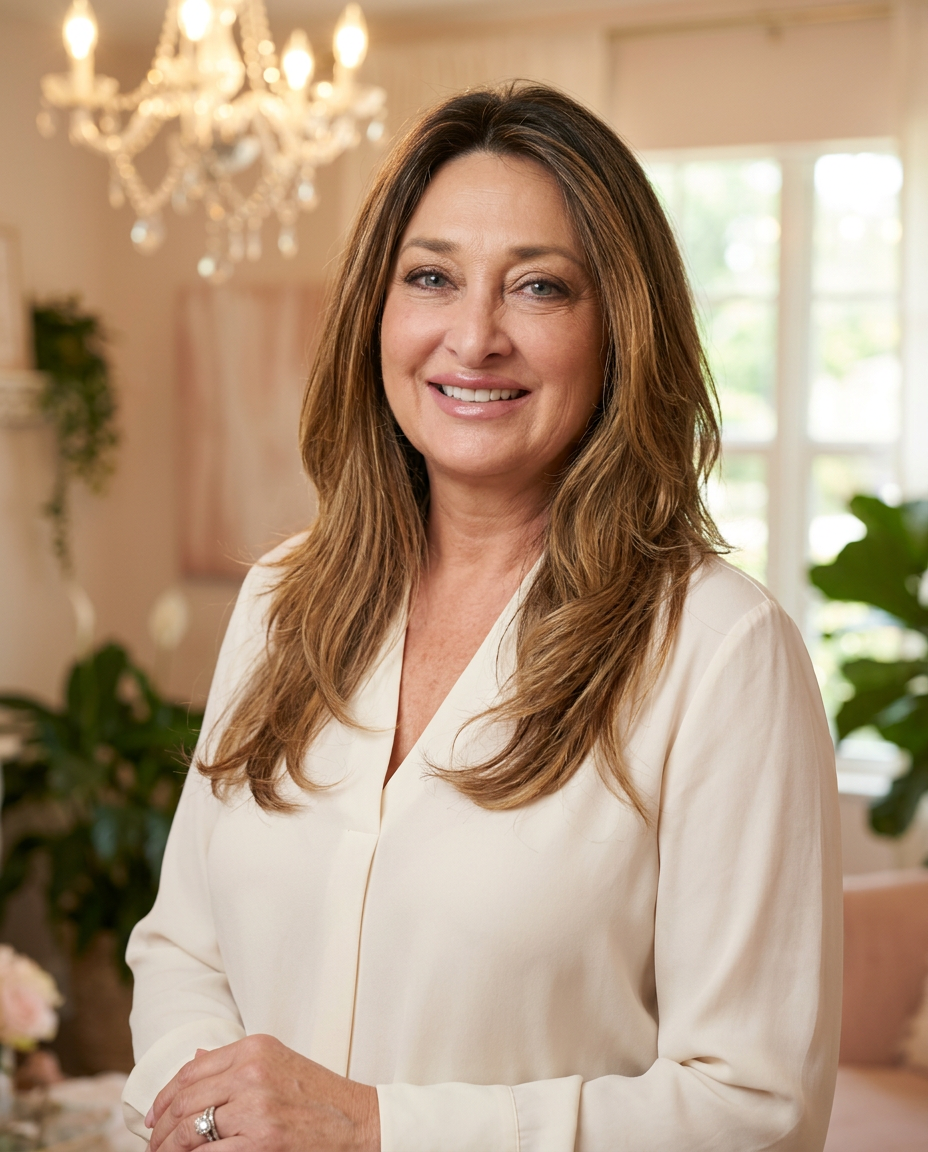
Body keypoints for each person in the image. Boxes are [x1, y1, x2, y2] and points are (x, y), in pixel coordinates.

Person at [123, 83, 842, 1152]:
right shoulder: (282, 601)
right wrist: (218, 1116)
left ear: (619, 331)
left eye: (540, 288)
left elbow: (754, 1108)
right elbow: (183, 948)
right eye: (431, 277)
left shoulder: (720, 652)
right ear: (379, 309)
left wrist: (375, 1130)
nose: (474, 336)